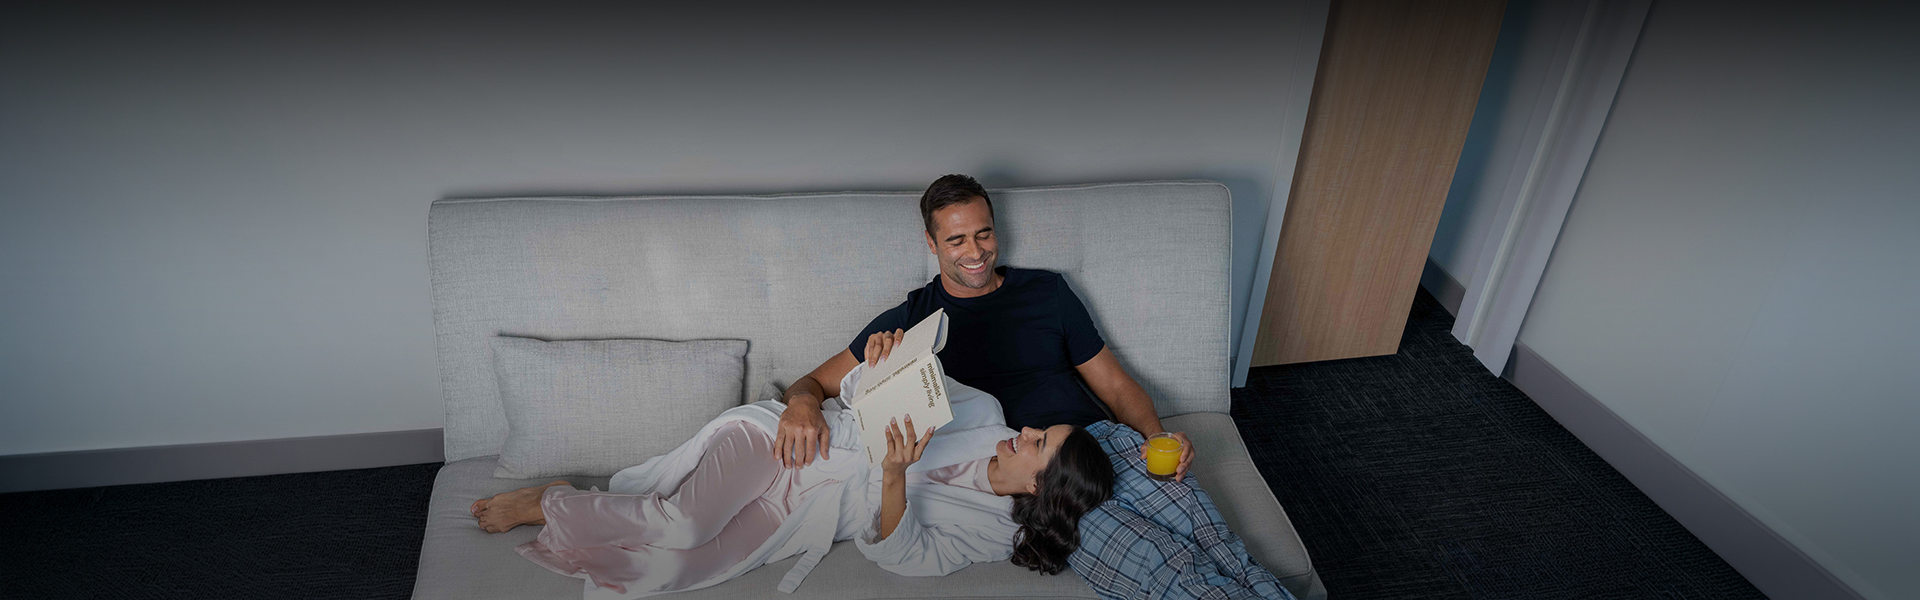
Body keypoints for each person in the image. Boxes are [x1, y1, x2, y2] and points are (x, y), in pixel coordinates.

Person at [471, 360, 1115, 597]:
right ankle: (548, 502)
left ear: (1038, 487)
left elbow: (907, 556)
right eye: (1039, 428)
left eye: (1037, 444)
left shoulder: (993, 533)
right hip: (794, 444)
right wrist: (886, 367)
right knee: (685, 521)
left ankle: (576, 511)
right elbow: (876, 388)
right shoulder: (984, 415)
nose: (1024, 431)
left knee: (667, 571)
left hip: (808, 510)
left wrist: (895, 476)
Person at [773, 174, 1198, 481]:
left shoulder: (1047, 291)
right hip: (1026, 473)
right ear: (931, 243)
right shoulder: (908, 320)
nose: (975, 252)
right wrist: (802, 405)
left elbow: (1118, 387)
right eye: (956, 240)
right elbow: (811, 382)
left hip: (1093, 443)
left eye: (984, 234)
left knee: (1195, 511)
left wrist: (1156, 437)